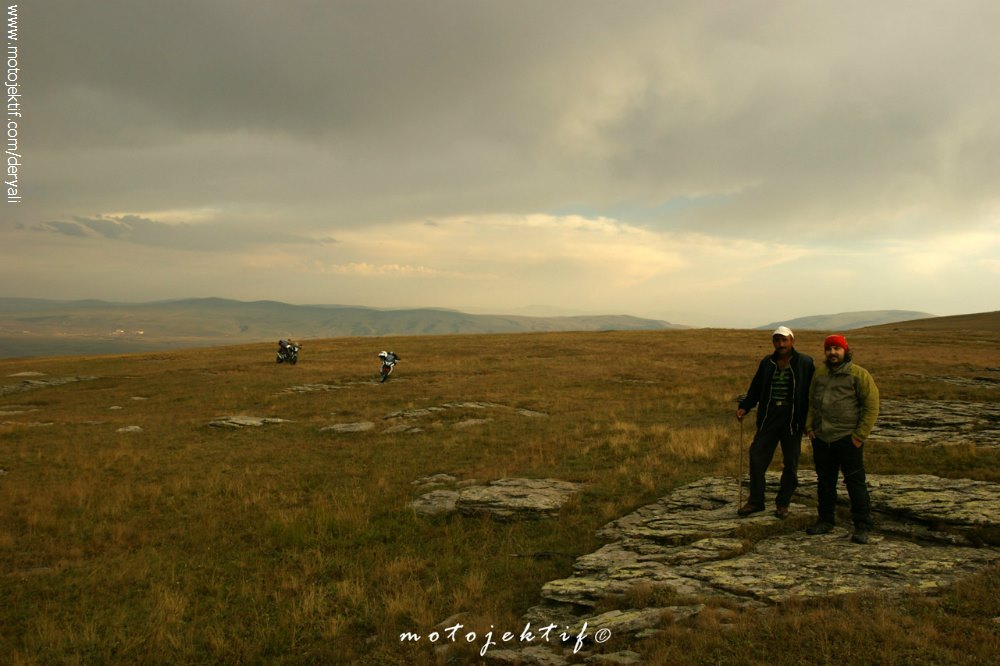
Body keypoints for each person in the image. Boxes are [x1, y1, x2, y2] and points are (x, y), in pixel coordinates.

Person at [804, 334, 880, 544]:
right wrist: (810, 428)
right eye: (829, 349)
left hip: (848, 439)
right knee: (825, 482)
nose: (832, 353)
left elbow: (871, 406)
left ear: (845, 350)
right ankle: (826, 521)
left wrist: (859, 436)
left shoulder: (859, 375)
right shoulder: (820, 374)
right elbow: (811, 402)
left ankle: (862, 526)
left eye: (837, 348)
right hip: (822, 438)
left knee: (855, 483)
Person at [736, 326, 815, 519]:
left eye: (784, 340)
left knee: (790, 463)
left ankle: (783, 504)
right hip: (769, 416)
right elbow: (755, 388)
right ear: (773, 343)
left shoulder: (805, 362)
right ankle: (756, 501)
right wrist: (745, 406)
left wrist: (810, 420)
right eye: (777, 341)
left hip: (792, 419)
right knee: (756, 457)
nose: (781, 344)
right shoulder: (767, 362)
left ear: (792, 341)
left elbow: (813, 392)